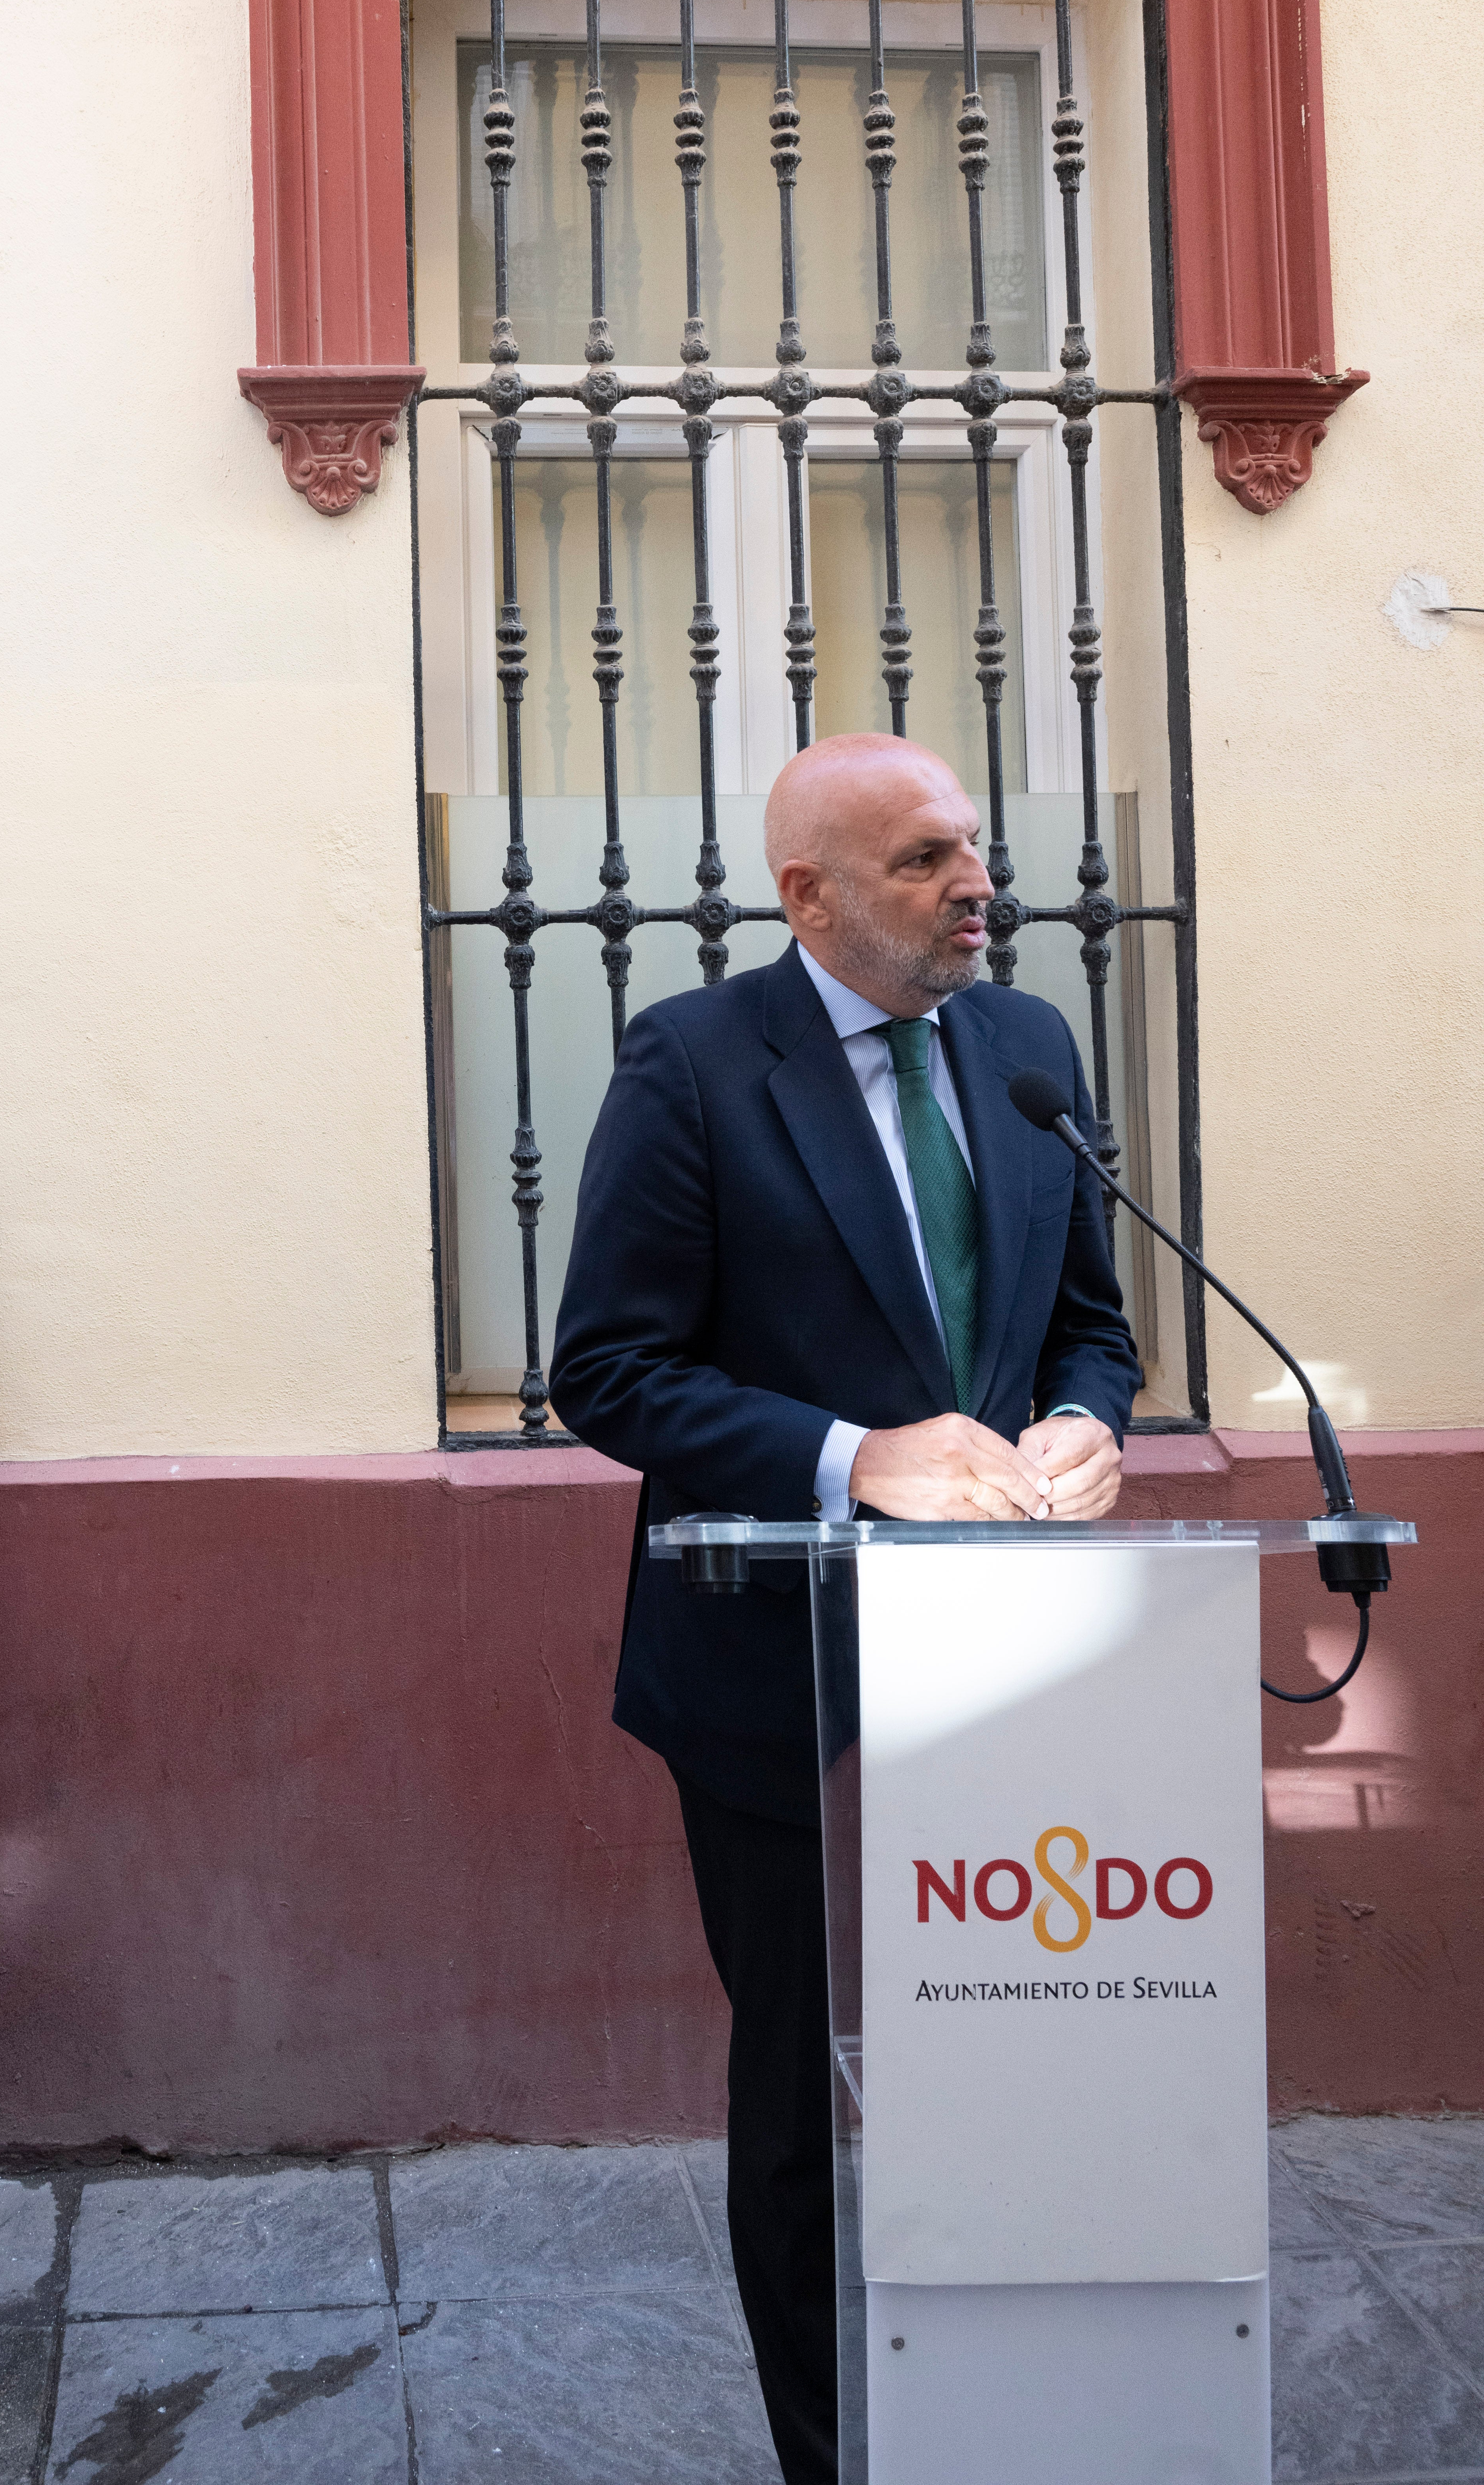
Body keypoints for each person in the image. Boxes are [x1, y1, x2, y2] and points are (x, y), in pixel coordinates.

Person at [549, 735, 1139, 2485]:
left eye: (972, 848)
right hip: (770, 1646)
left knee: (1026, 2023)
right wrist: (845, 1452)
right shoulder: (690, 1062)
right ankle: (828, 2447)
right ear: (803, 894)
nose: (974, 884)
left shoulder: (1027, 1046)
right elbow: (607, 1370)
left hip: (1013, 1653)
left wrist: (1085, 1422)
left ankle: (1023, 2401)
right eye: (918, 861)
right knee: (799, 2078)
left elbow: (1087, 1319)